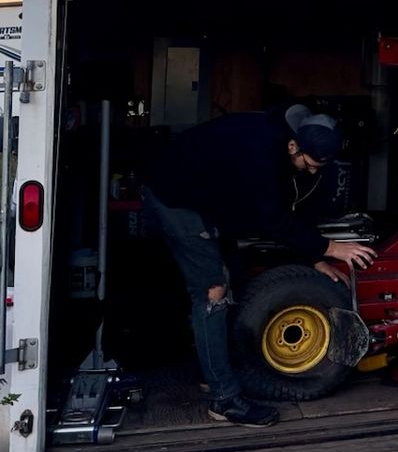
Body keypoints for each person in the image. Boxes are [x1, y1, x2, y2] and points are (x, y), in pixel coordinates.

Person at [141, 104, 375, 426]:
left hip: (208, 199)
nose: (312, 172)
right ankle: (224, 400)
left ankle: (214, 370)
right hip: (175, 198)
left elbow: (276, 213)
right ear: (294, 146)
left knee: (235, 275)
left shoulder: (283, 140)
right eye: (309, 164)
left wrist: (315, 259)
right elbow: (273, 220)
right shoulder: (261, 153)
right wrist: (332, 248)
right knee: (213, 290)